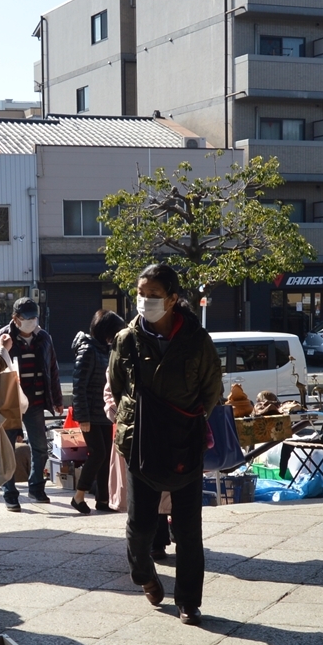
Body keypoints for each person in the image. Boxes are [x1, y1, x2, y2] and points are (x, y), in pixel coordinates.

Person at [108, 264, 221, 625]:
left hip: (183, 440)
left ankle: (188, 600)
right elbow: (117, 383)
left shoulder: (196, 339)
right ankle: (144, 575)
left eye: (154, 296)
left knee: (188, 529)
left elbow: (211, 390)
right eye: (141, 294)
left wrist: (184, 418)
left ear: (173, 299)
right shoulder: (126, 339)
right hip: (140, 440)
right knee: (140, 526)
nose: (145, 302)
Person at [0, 297, 62, 511]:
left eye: (34, 317)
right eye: (27, 318)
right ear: (15, 318)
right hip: (9, 403)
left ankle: (36, 487)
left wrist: (57, 400)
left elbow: (53, 369)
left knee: (40, 446)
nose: (32, 322)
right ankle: (10, 493)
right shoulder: (0, 338)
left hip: (37, 401)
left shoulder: (44, 337)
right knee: (8, 448)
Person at [71, 309, 125, 514]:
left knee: (105, 456)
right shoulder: (88, 350)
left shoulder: (105, 350)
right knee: (98, 454)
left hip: (103, 413)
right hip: (90, 414)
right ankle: (79, 495)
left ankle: (103, 499)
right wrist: (82, 416)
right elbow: (79, 386)